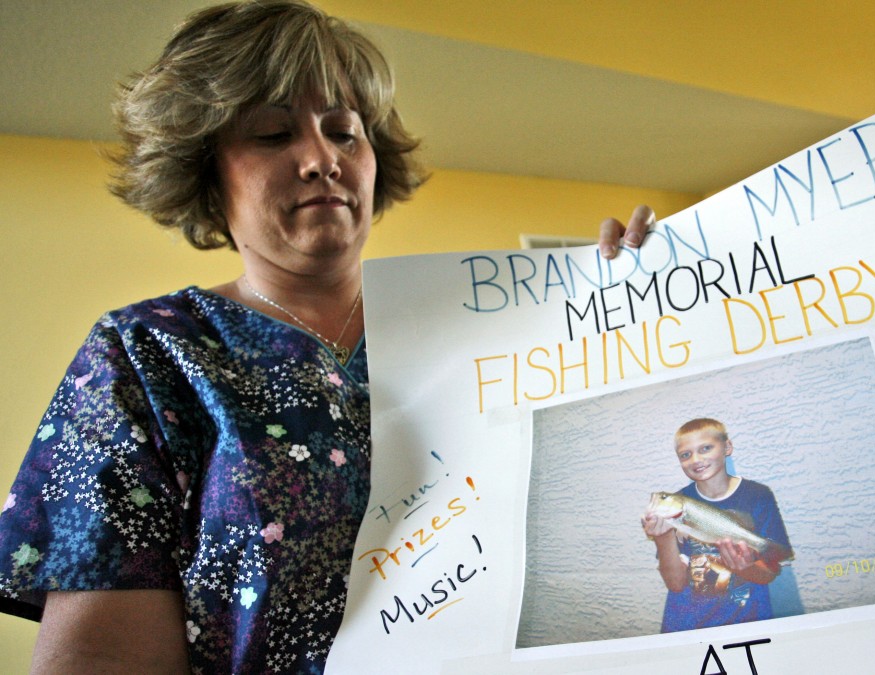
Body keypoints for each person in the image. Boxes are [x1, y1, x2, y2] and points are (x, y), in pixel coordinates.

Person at [0, 1, 653, 672]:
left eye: (344, 132)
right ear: (206, 170)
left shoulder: (491, 329)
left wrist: (633, 293)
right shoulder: (148, 354)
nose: (321, 159)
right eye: (272, 133)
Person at [641, 418, 791, 632]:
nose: (696, 459)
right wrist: (662, 537)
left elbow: (768, 574)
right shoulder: (675, 511)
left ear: (727, 447)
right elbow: (675, 584)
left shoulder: (758, 496)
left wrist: (745, 567)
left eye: (706, 448)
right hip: (687, 624)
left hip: (747, 622)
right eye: (685, 455)